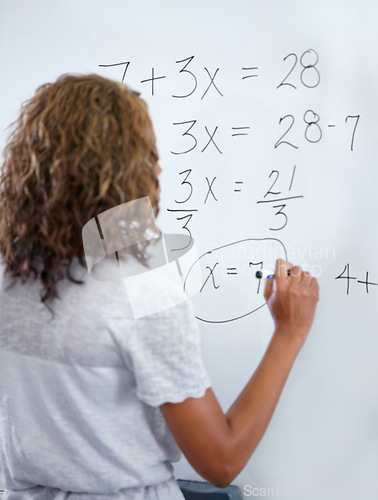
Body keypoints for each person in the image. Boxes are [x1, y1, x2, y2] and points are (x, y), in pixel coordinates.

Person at [0, 74, 319, 499]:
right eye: (147, 153)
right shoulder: (142, 288)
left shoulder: (13, 266)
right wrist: (289, 332)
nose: (159, 168)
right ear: (124, 171)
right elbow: (221, 462)